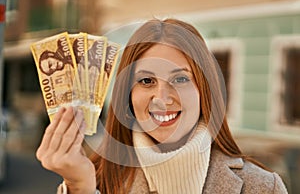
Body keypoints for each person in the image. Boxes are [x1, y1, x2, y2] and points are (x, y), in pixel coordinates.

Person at [36, 18, 288, 194]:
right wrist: (80, 189)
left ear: (205, 90)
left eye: (180, 79)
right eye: (146, 81)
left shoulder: (263, 188)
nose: (162, 97)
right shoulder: (94, 181)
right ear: (128, 95)